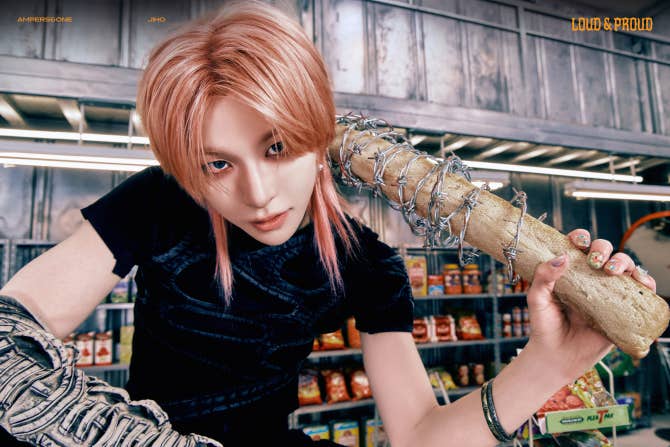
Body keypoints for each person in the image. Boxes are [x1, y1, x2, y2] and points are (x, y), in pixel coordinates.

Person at [0, 2, 658, 447]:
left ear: (318, 138)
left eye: (277, 147)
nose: (258, 194)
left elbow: (419, 436)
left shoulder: (368, 265)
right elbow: (11, 328)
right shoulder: (158, 201)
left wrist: (549, 363)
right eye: (216, 163)